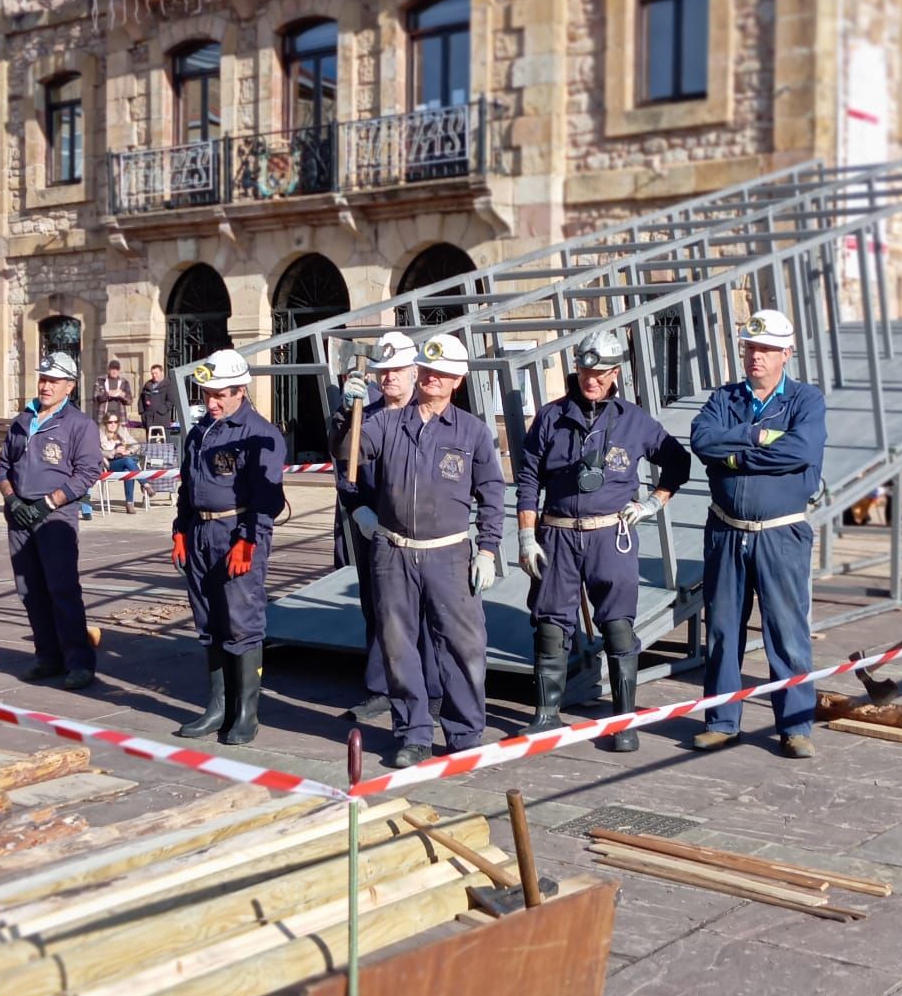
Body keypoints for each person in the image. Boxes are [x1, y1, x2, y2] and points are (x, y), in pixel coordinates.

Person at [515, 330, 691, 753]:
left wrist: (653, 502)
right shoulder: (551, 417)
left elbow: (678, 462)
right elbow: (527, 480)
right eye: (584, 371)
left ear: (615, 373)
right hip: (557, 534)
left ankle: (622, 718)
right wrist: (525, 535)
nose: (590, 379)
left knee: (617, 625)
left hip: (611, 535)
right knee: (550, 624)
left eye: (599, 372)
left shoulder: (634, 420)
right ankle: (546, 715)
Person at [353, 330, 504, 768]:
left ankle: (464, 732)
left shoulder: (472, 431)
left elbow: (492, 493)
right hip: (394, 551)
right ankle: (413, 734)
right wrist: (350, 413)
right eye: (428, 370)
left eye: (443, 373)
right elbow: (351, 453)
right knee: (399, 647)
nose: (433, 378)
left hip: (450, 554)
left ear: (457, 380)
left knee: (463, 646)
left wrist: (489, 549)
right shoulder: (385, 422)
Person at [689, 310, 827, 759]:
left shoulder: (806, 400)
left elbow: (801, 450)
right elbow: (704, 442)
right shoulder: (724, 398)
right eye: (750, 348)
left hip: (780, 534)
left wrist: (736, 455)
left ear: (787, 353)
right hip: (727, 532)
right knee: (723, 631)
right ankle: (722, 720)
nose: (755, 357)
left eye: (765, 349)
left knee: (786, 632)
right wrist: (758, 437)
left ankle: (795, 726)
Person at [173, 349, 285, 745]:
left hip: (237, 530)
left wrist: (249, 540)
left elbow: (266, 497)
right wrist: (180, 530)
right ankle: (217, 707)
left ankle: (245, 714)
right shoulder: (199, 432)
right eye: (207, 394)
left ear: (241, 391)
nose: (212, 402)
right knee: (210, 623)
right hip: (201, 532)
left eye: (220, 394)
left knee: (242, 623)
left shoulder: (259, 433)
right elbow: (188, 487)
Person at [331, 331, 440, 727]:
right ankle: (381, 688)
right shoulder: (365, 413)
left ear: (414, 372)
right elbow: (346, 464)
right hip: (373, 525)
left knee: (426, 612)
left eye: (396, 370)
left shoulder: (433, 412)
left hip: (422, 529)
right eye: (383, 371)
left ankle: (432, 692)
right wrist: (356, 508)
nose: (388, 377)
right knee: (378, 609)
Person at [0, 352, 103, 689]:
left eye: (53, 380)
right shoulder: (22, 421)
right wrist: (11, 498)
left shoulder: (79, 425)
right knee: (29, 590)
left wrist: (47, 503)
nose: (45, 385)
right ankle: (48, 656)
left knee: (62, 589)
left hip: (55, 516)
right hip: (19, 516)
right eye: (42, 378)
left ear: (69, 386)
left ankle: (79, 663)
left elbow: (87, 473)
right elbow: (3, 465)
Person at [98, 410, 141, 512]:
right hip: (110, 464)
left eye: (115, 422)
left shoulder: (122, 432)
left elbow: (137, 445)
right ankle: (145, 484)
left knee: (128, 470)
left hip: (124, 461)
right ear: (105, 423)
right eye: (110, 422)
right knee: (128, 462)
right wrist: (114, 450)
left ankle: (129, 503)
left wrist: (129, 451)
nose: (113, 424)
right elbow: (98, 452)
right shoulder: (100, 435)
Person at [94, 359, 132, 424]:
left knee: (121, 434)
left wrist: (123, 395)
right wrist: (107, 394)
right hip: (104, 415)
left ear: (119, 371)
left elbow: (130, 401)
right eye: (112, 369)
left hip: (119, 415)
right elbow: (95, 398)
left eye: (116, 369)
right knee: (103, 433)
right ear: (109, 370)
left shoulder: (124, 382)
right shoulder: (100, 380)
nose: (114, 371)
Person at [139, 364, 171, 436]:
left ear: (161, 372)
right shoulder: (147, 385)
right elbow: (141, 399)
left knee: (165, 444)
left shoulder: (168, 384)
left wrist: (161, 410)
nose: (154, 375)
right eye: (152, 373)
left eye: (156, 373)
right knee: (151, 444)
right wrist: (142, 414)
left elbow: (170, 401)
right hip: (149, 419)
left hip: (162, 419)